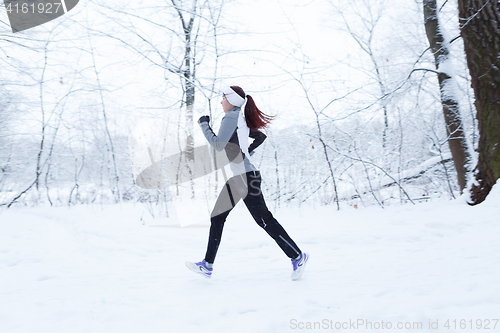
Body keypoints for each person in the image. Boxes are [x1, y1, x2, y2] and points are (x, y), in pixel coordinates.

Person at [185, 86, 309, 280]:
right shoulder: (239, 118)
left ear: (232, 100)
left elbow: (218, 144)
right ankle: (207, 265)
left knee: (264, 220)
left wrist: (204, 124)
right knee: (217, 217)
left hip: (245, 178)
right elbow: (260, 136)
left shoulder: (232, 117)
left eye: (223, 98)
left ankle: (297, 256)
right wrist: (246, 152)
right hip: (240, 178)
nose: (221, 102)